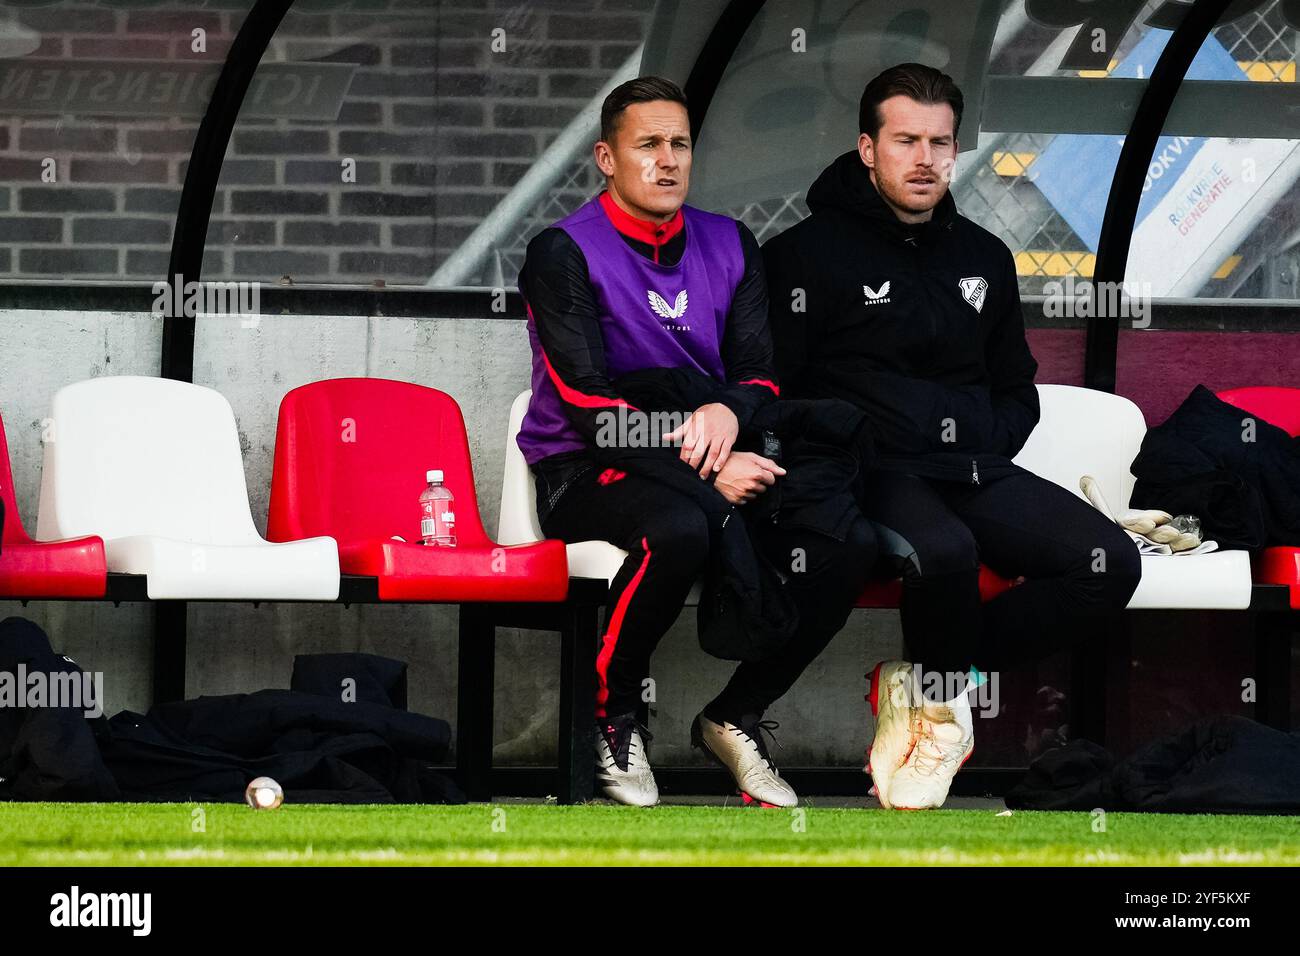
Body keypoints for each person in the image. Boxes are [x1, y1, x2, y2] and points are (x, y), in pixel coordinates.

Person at [762, 63, 1141, 810]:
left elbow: (1014, 384)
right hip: (869, 470)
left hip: (971, 467)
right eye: (905, 140)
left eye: (940, 143)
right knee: (947, 554)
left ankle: (927, 681)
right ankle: (940, 719)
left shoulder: (983, 257)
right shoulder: (801, 258)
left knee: (1108, 565)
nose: (925, 159)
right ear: (867, 147)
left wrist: (989, 441)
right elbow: (777, 388)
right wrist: (837, 454)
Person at [517, 76, 876, 807]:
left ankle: (734, 716)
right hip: (585, 470)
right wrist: (706, 463)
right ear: (606, 159)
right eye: (647, 144)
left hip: (716, 451)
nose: (667, 160)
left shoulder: (729, 240)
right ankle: (612, 721)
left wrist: (726, 418)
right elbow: (591, 408)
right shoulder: (561, 253)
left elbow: (760, 378)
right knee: (680, 528)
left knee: (849, 545)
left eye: (679, 144)